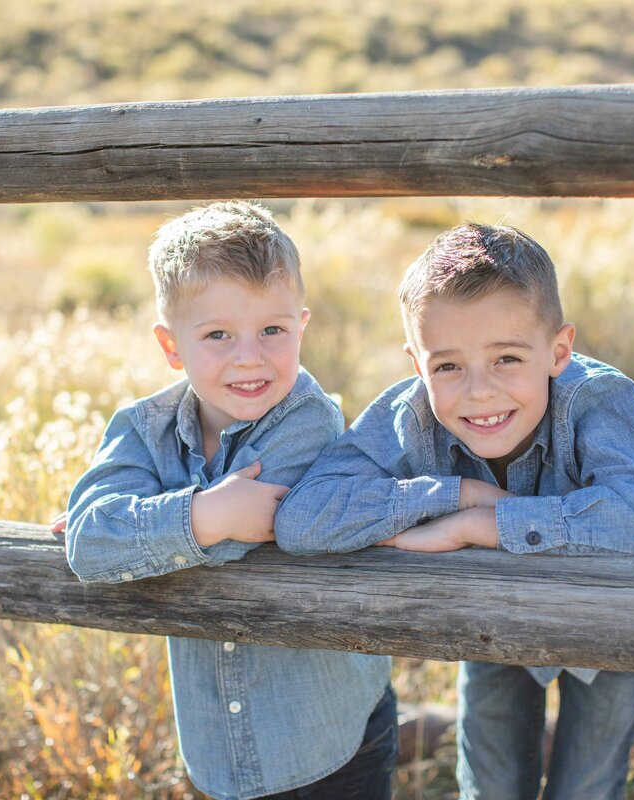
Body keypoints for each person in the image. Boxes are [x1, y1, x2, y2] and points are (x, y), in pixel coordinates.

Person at [275, 222, 634, 800]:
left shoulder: (598, 399)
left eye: (507, 359)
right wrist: (453, 495)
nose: (479, 392)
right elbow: (302, 518)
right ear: (417, 364)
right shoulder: (411, 415)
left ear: (559, 350)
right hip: (488, 620)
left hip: (609, 614)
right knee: (491, 785)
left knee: (588, 785)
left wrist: (485, 524)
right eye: (447, 366)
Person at [64, 201, 395, 800]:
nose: (250, 356)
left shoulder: (308, 423)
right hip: (218, 744)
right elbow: (88, 545)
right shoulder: (144, 427)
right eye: (218, 334)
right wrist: (204, 515)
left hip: (329, 733)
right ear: (171, 345)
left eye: (273, 330)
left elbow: (246, 537)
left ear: (302, 324)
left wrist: (147, 528)